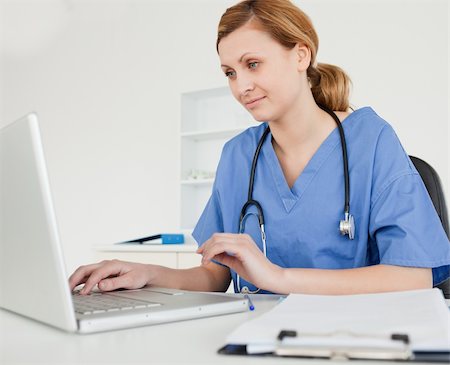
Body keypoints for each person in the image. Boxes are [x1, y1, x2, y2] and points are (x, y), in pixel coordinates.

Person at [69, 0, 450, 296]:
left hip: (351, 341)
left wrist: (278, 277)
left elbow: (413, 277)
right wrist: (148, 273)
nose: (240, 86)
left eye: (253, 64)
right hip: (253, 338)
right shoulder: (239, 156)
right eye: (230, 72)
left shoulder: (371, 140)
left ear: (301, 55)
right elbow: (215, 274)